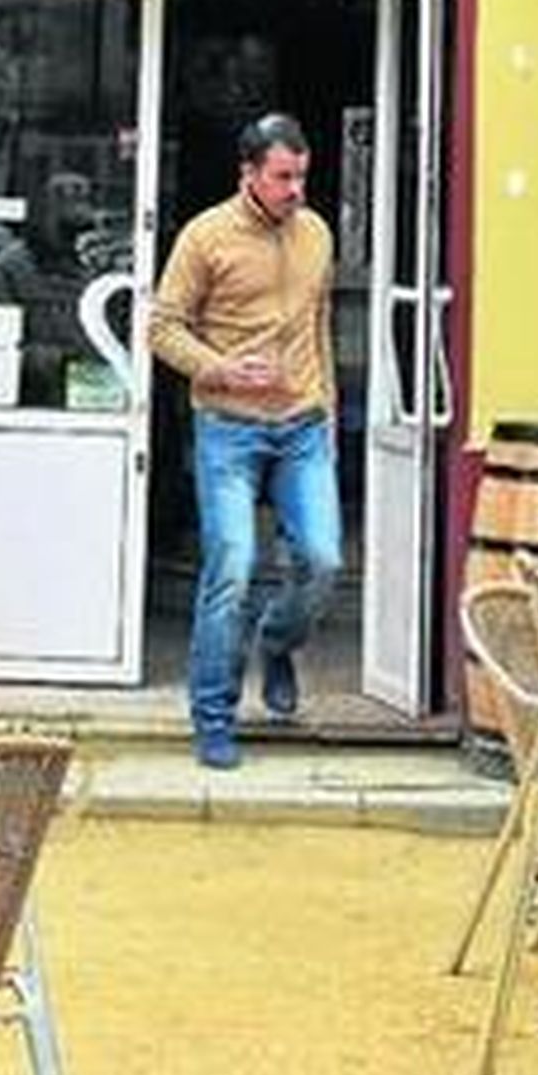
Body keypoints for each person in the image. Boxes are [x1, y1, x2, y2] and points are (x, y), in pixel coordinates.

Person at [149, 111, 341, 770]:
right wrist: (219, 368)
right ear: (249, 174)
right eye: (283, 177)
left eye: (301, 176)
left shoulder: (316, 232)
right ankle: (213, 717)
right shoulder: (206, 236)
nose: (296, 190)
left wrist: (328, 411)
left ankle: (277, 643)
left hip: (303, 425)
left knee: (323, 560)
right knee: (230, 567)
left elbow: (318, 324)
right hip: (228, 426)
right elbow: (161, 327)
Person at [0, 169, 97, 408]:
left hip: (96, 390)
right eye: (64, 198)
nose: (77, 208)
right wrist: (54, 359)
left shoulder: (97, 264)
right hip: (33, 396)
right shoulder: (13, 265)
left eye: (82, 198)